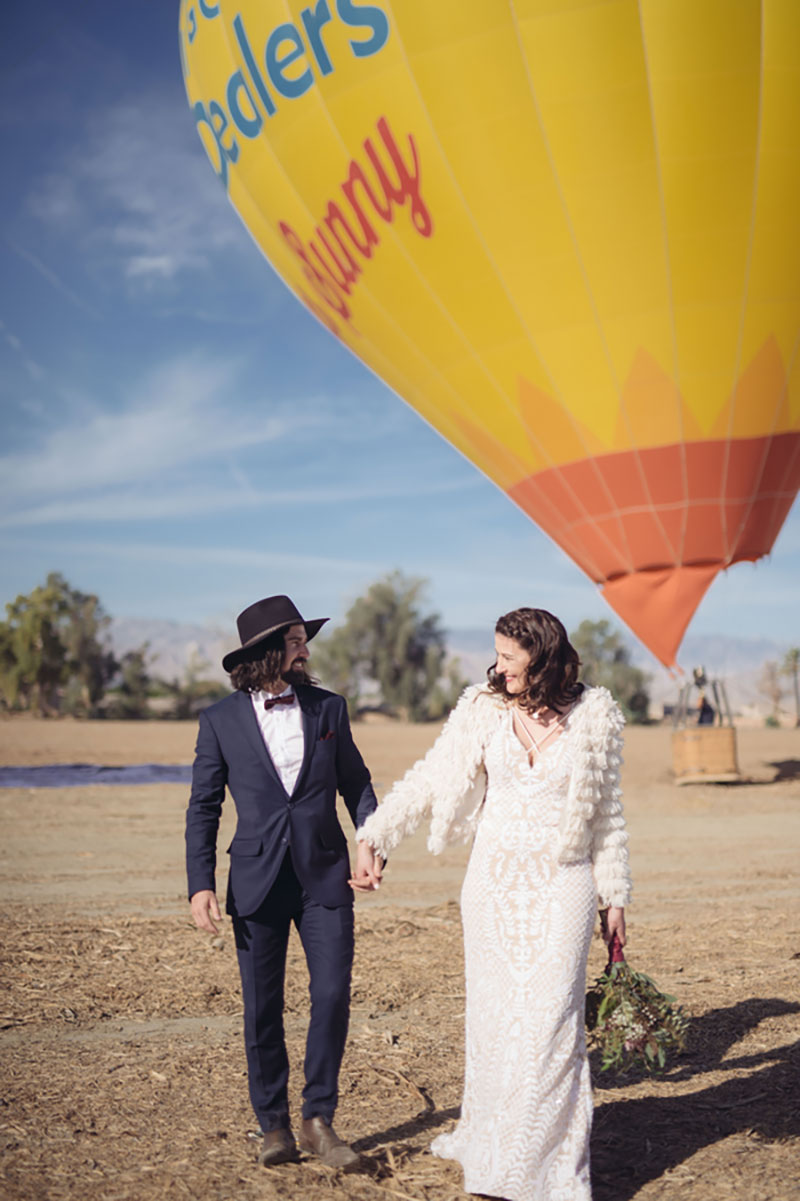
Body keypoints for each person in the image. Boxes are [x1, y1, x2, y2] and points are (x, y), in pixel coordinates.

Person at [357, 607, 631, 1201]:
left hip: (565, 883)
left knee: (553, 1020)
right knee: (496, 1019)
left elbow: (608, 814)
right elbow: (433, 777)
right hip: (493, 885)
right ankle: (494, 1142)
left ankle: (542, 1167)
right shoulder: (482, 708)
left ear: (543, 658)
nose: (499, 666)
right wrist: (375, 834)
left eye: (510, 656)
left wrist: (616, 896)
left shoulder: (596, 715)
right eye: (498, 654)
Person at [185, 594, 382, 1170]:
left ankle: (319, 1118)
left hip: (326, 876)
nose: (305, 650)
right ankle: (272, 1125)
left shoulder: (329, 708)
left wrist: (373, 842)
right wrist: (201, 882)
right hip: (256, 881)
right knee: (261, 1009)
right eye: (294, 640)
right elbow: (203, 807)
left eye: (303, 639)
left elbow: (358, 784)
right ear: (267, 652)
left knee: (331, 995)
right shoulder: (218, 721)